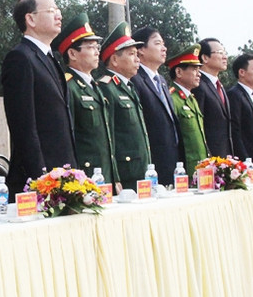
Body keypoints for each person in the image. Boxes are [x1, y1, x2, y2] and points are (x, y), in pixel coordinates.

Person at [0, 0, 76, 195]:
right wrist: (41, 178)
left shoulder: (50, 58)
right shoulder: (20, 58)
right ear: (30, 19)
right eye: (51, 11)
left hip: (63, 173)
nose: (59, 16)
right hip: (40, 180)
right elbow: (23, 126)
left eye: (58, 10)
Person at [51, 13, 120, 187]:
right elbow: (68, 137)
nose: (97, 52)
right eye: (90, 47)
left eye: (97, 46)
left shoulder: (95, 86)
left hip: (104, 176)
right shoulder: (68, 86)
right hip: (84, 178)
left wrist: (115, 177)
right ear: (72, 53)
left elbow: (108, 140)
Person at [97, 22, 151, 186]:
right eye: (131, 54)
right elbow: (109, 136)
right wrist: (115, 177)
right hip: (125, 173)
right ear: (114, 59)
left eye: (137, 54)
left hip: (141, 169)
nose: (137, 59)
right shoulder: (106, 87)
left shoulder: (129, 86)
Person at [131, 27, 183, 185]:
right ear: (141, 50)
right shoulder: (135, 79)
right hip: (152, 162)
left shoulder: (161, 80)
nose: (164, 48)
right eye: (158, 43)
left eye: (163, 44)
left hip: (172, 158)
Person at [167, 45, 210, 178]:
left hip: (201, 168)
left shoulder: (191, 98)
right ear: (179, 72)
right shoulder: (172, 98)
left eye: (199, 69)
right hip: (185, 170)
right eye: (194, 69)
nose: (199, 74)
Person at [192, 38, 234, 158]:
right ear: (205, 58)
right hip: (210, 158)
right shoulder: (198, 86)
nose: (225, 57)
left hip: (225, 156)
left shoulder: (219, 86)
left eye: (224, 52)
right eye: (220, 53)